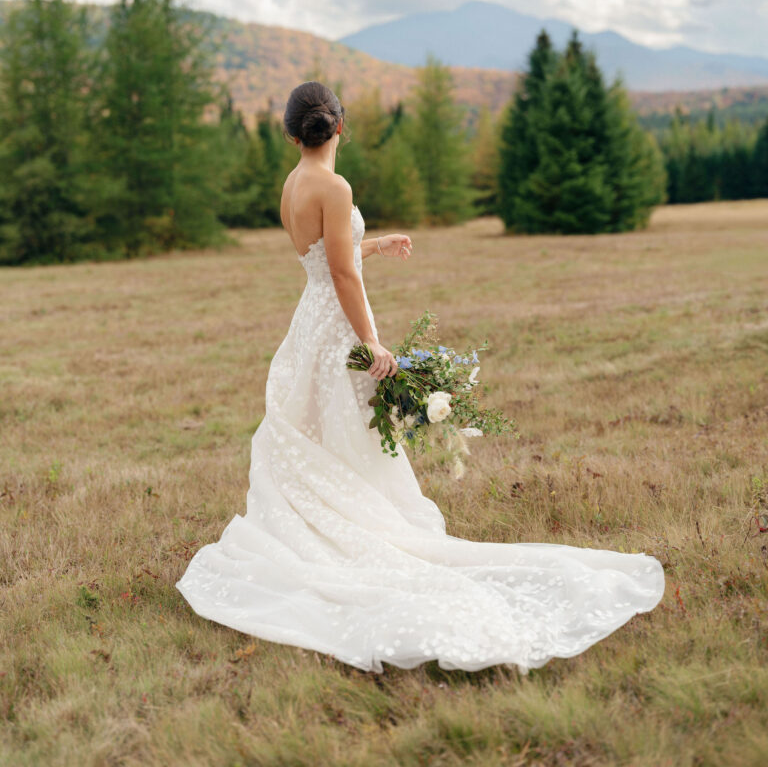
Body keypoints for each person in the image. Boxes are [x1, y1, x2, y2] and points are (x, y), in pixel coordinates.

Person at [175, 81, 665, 674]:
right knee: (352, 429)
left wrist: (372, 244)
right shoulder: (335, 185)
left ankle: (331, 520)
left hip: (310, 322)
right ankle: (362, 532)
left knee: (328, 431)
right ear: (340, 127)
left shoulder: (294, 183)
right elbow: (340, 274)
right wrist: (371, 343)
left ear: (290, 132)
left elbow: (319, 256)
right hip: (338, 324)